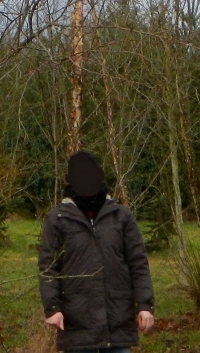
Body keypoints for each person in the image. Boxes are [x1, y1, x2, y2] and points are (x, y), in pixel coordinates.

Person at [38, 150, 155, 352]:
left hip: (117, 323)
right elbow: (48, 268)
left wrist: (145, 306)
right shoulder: (57, 219)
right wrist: (53, 308)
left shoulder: (122, 216)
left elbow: (138, 264)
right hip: (77, 324)